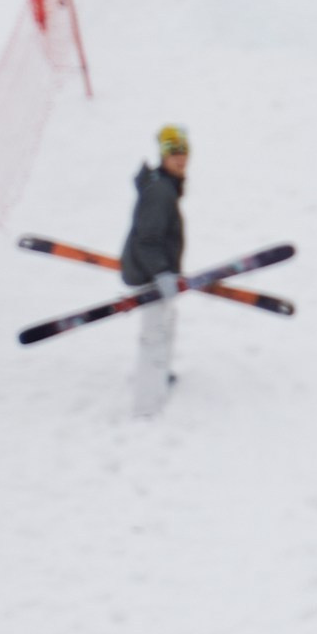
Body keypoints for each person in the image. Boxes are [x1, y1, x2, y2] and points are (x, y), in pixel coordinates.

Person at [121, 125, 190, 419]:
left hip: (155, 273)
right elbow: (147, 239)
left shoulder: (163, 186)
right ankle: (146, 406)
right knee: (154, 335)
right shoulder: (160, 191)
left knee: (164, 327)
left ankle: (158, 378)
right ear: (163, 155)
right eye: (174, 152)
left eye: (184, 151)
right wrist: (162, 273)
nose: (181, 158)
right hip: (151, 276)